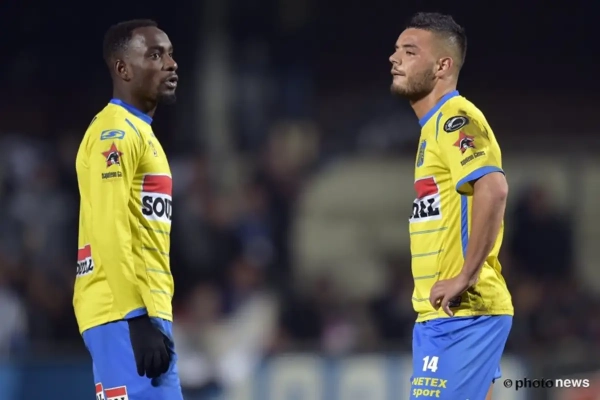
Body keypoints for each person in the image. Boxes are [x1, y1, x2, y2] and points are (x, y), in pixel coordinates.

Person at [389, 12, 513, 400]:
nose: (395, 58)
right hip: (447, 316)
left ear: (442, 66)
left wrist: (466, 276)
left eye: (410, 51)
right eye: (396, 49)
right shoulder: (432, 128)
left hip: (461, 315)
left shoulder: (454, 118)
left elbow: (493, 187)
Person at [74, 19, 182, 400]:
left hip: (136, 309)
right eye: (155, 55)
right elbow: (109, 225)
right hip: (122, 311)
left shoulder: (139, 132)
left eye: (170, 54)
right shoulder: (115, 133)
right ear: (123, 68)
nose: (171, 64)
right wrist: (136, 317)